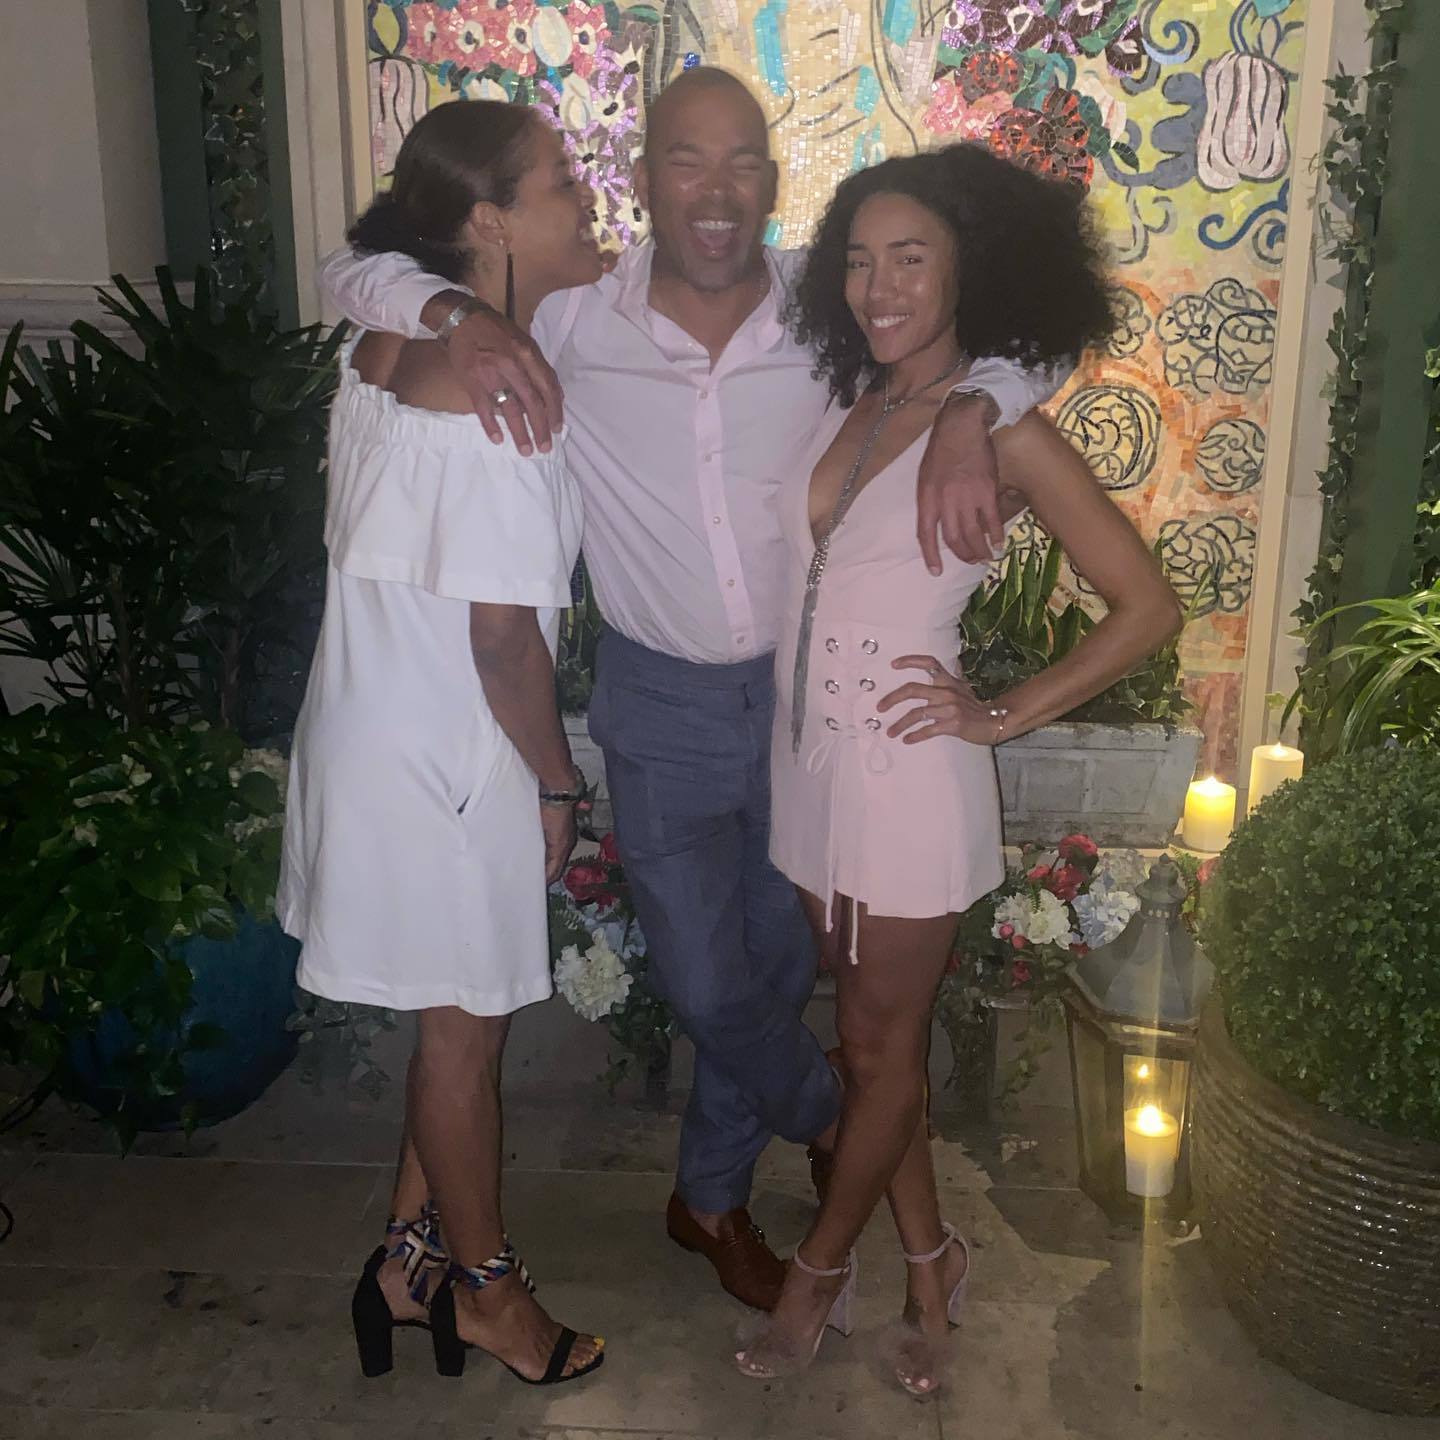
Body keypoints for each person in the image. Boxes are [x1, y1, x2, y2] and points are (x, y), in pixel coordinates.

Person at [318, 67, 1063, 1313]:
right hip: (658, 698)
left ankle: (710, 1199)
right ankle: (844, 1117)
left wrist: (973, 408)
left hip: (801, 700)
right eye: (685, 158)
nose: (716, 189)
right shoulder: (567, 313)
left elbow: (1032, 337)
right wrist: (455, 312)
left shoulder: (829, 306)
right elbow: (355, 271)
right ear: (643, 176)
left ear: (772, 180)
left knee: (770, 974)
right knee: (709, 984)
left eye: (743, 160)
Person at [735, 144, 1184, 1393]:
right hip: (809, 771)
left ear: (965, 271)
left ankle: (819, 1272)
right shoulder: (853, 400)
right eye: (859, 260)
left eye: (911, 259)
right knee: (871, 1048)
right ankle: (935, 1263)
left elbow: (1148, 606)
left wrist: (999, 715)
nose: (879, 287)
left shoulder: (1007, 432)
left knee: (880, 1047)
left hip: (906, 779)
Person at [278, 99, 606, 1386]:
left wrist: (452, 308)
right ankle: (490, 1297)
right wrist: (559, 780)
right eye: (561, 180)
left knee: (460, 1021)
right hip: (453, 759)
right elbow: (504, 645)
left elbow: (356, 268)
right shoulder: (501, 403)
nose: (587, 195)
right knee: (467, 1039)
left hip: (376, 725)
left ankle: (406, 1265)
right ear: (487, 221)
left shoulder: (387, 340)